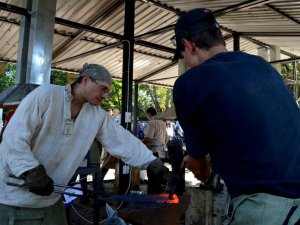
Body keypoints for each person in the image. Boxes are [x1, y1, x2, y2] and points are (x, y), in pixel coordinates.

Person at [172, 8, 300, 225]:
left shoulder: (189, 83)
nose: (186, 62)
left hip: (268, 209)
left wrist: (194, 164)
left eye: (183, 56)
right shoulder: (262, 67)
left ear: (188, 45)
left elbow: (201, 169)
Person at [0, 63, 165, 225]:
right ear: (85, 80)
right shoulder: (46, 95)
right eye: (103, 89)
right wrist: (29, 169)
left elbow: (121, 140)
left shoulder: (96, 115)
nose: (105, 96)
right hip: (12, 199)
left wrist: (152, 162)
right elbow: (14, 138)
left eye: (107, 91)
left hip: (51, 200)